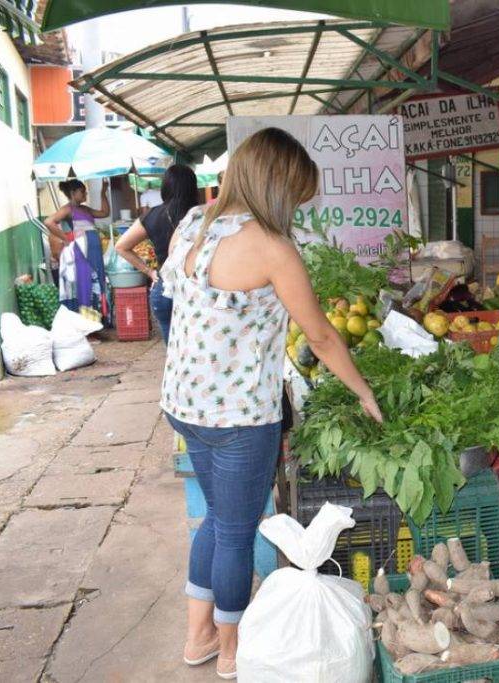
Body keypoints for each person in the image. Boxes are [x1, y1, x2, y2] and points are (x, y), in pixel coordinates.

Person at [160, 127, 383, 679]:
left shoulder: (193, 223)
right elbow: (323, 338)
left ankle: (198, 636)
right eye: (296, 197)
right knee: (237, 532)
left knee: (215, 517)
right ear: (276, 187)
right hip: (239, 417)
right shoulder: (271, 247)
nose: (297, 210)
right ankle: (232, 651)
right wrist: (363, 391)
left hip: (185, 402)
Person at [114, 164, 198, 343]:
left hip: (165, 288)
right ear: (192, 187)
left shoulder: (152, 215)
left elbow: (121, 246)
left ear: (165, 187)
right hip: (196, 289)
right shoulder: (201, 215)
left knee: (173, 358)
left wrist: (150, 272)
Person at [44, 179, 111, 314]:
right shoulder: (68, 209)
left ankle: (96, 322)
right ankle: (87, 323)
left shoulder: (85, 208)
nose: (85, 195)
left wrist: (102, 192)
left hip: (94, 252)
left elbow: (104, 213)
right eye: (82, 192)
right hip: (82, 253)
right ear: (72, 193)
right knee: (85, 284)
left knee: (96, 282)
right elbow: (49, 222)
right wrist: (66, 238)